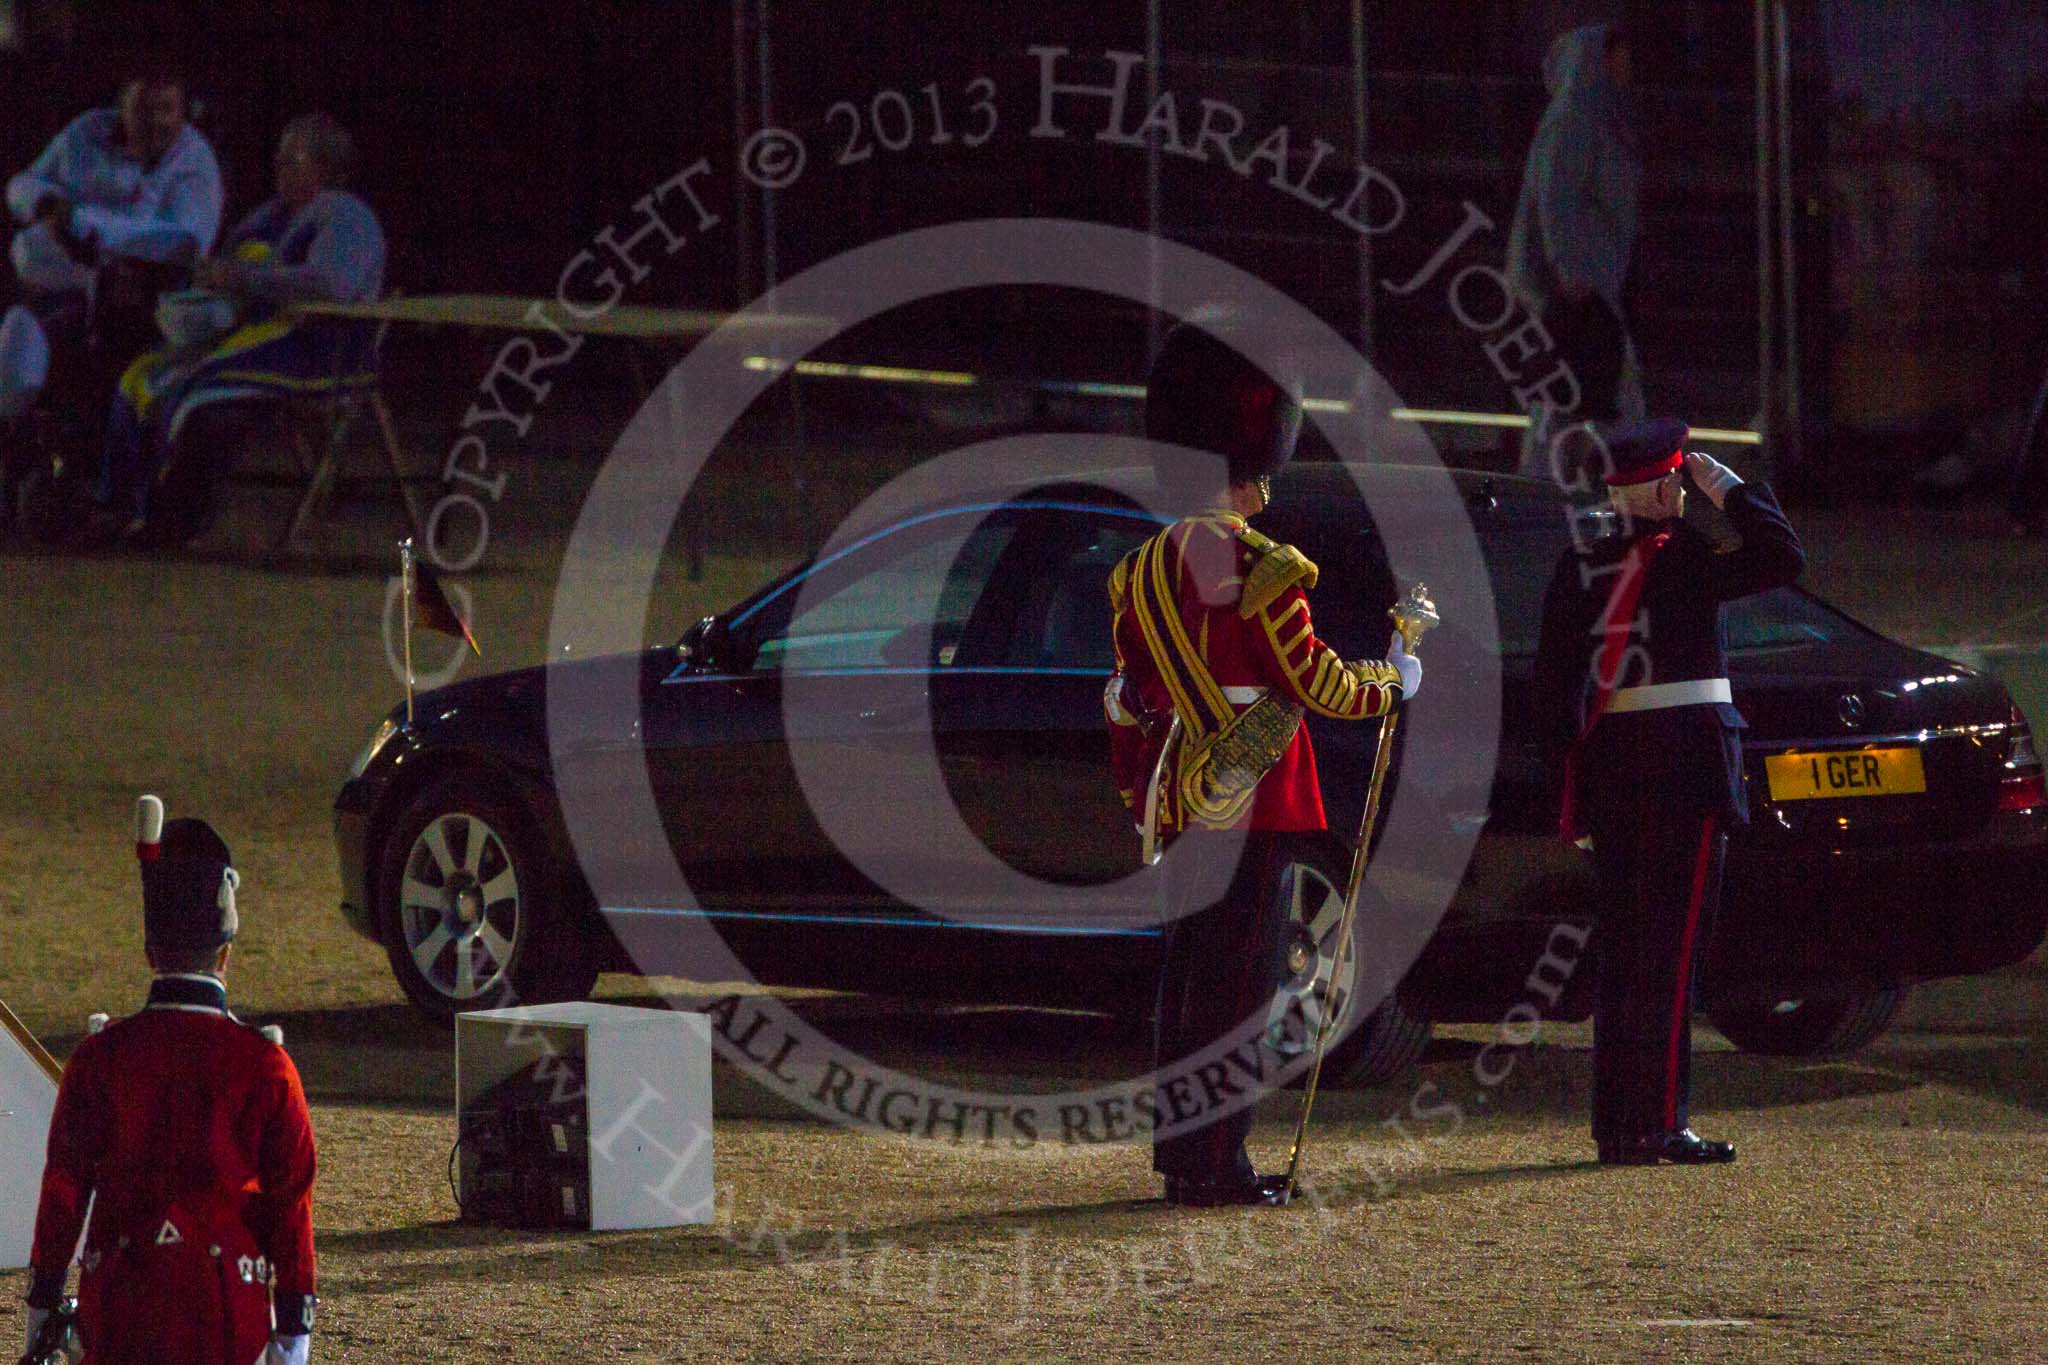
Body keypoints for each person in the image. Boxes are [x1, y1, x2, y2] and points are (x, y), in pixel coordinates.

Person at [1105, 314, 1422, 1206]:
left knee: (1189, 977)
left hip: (1183, 788)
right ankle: (1217, 1162)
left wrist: (1141, 782)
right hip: (1258, 788)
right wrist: (1393, 681)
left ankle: (1182, 1154)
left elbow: (1131, 693)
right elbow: (1314, 681)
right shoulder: (1266, 566)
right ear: (1250, 465)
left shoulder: (1142, 570)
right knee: (1241, 980)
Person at [1533, 418, 1805, 1165]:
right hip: (1686, 771)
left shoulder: (1581, 564)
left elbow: (1556, 689)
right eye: (1678, 482)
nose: (1684, 493)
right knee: (1672, 955)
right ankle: (1656, 1122)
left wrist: (1576, 789)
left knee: (1625, 956)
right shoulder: (1686, 556)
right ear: (1660, 490)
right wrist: (1735, 491)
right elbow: (1784, 555)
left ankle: (1618, 1124)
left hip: (1617, 776)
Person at [23, 798, 317, 1365]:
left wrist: (42, 1303)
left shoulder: (99, 1057)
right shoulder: (266, 1065)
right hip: (227, 1319)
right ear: (224, 955)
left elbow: (64, 1188)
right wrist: (294, 1332)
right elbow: (291, 1203)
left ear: (148, 952)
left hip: (118, 1308)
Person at [82, 110, 384, 544]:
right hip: (249, 333)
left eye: (292, 160)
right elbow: (227, 266)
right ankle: (116, 505)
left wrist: (242, 279)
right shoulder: (268, 217)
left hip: (316, 347)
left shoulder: (345, 215)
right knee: (142, 377)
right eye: (279, 159)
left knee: (198, 393)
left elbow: (330, 286)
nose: (279, 169)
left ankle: (168, 519)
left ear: (325, 168)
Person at [1, 61, 223, 520]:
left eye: (166, 110)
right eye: (143, 109)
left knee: (100, 344)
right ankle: (17, 469)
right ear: (121, 104)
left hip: (143, 307)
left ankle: (96, 484)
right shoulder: (86, 134)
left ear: (183, 112)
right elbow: (23, 184)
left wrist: (86, 226)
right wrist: (46, 204)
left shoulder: (193, 163)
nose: (155, 122)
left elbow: (183, 242)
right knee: (18, 343)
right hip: (64, 290)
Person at [1506, 21, 1645, 481]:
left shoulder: (1595, 119)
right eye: (1618, 58)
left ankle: (1559, 482)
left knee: (1573, 391)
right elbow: (1557, 196)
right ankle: (1602, 484)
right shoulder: (1575, 122)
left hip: (1592, 276)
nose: (1626, 68)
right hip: (1581, 282)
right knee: (1587, 389)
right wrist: (1570, 268)